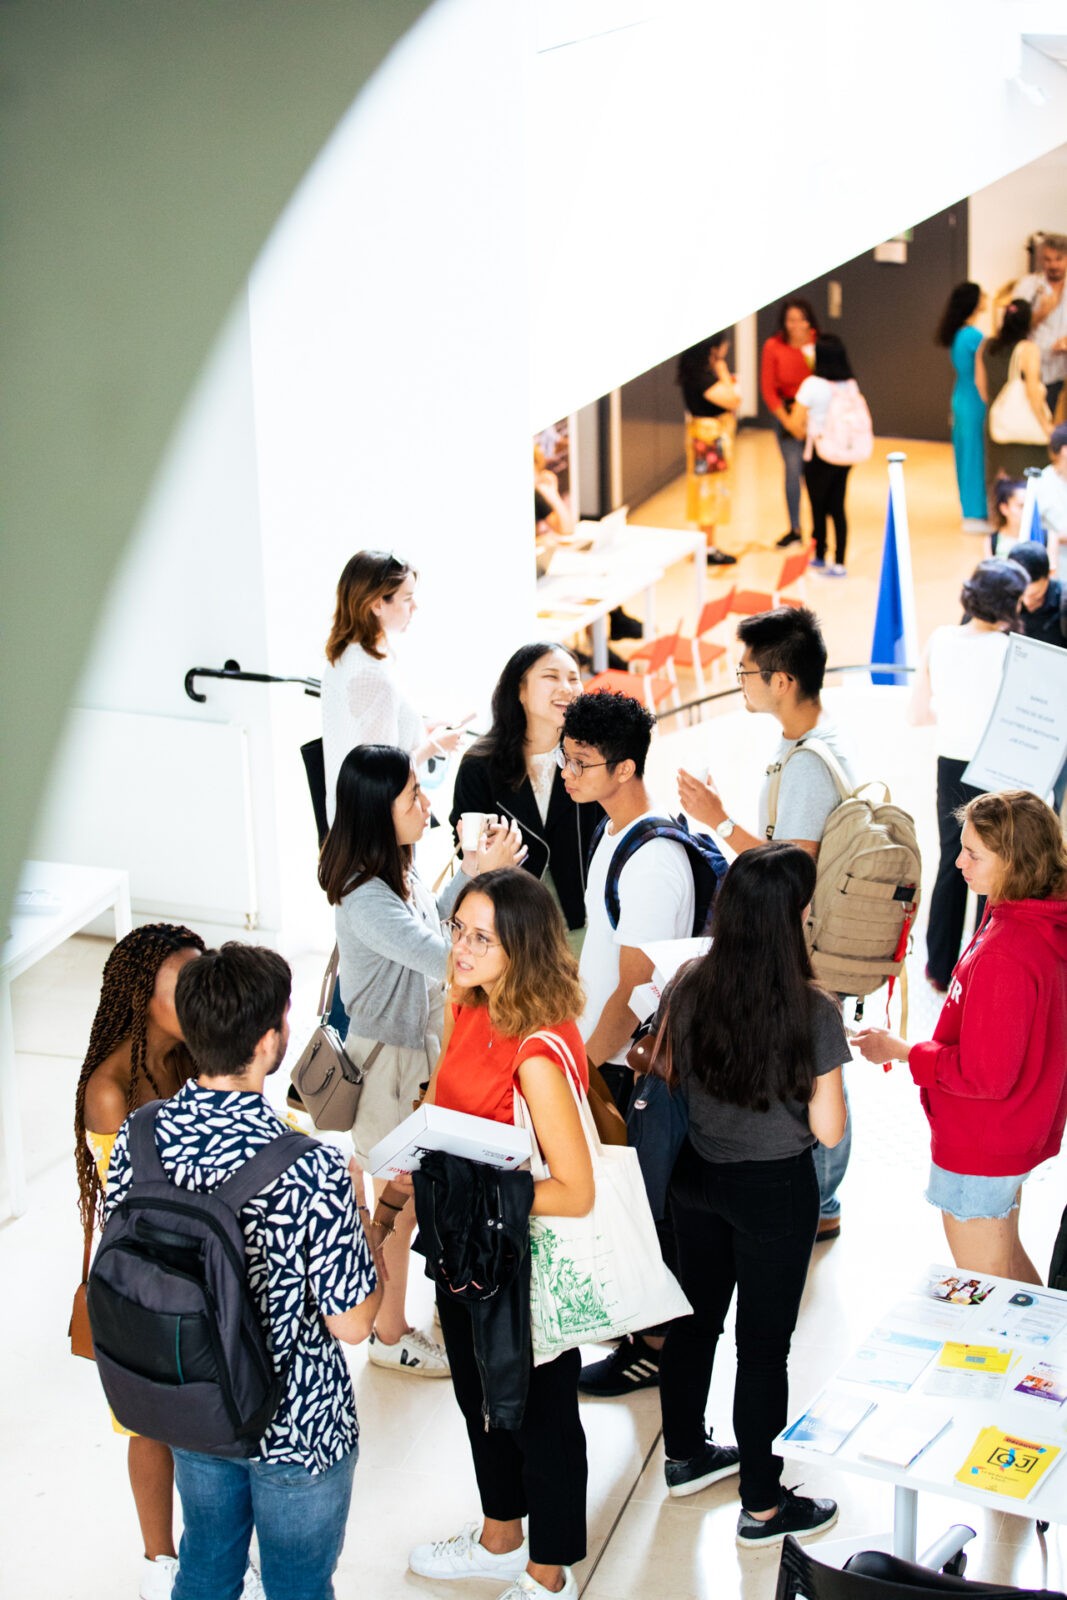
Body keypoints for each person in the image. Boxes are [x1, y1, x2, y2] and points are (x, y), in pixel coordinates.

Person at [104, 942, 383, 1600]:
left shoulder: (140, 1138)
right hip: (297, 1426)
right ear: (268, 1041)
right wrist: (368, 1220)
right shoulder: (310, 1166)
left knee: (206, 1562)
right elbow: (353, 1323)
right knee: (296, 1587)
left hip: (197, 1404)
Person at [405, 869, 593, 1600]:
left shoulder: (538, 1053)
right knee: (477, 1396)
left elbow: (573, 1192)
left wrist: (472, 1199)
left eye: (481, 937)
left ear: (520, 945)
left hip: (519, 1261)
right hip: (468, 1248)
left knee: (540, 1414)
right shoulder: (471, 1007)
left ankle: (549, 1572)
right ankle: (499, 1536)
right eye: (457, 929)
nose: (460, 947)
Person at [657, 844, 847, 1547]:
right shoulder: (813, 1010)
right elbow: (826, 1129)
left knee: (692, 1323)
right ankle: (762, 1507)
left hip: (696, 1176)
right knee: (762, 1350)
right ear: (792, 920)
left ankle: (683, 1456)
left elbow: (672, 1075)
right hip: (773, 1191)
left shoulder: (689, 980)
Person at [319, 743, 525, 1375]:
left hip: (411, 1056)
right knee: (398, 1205)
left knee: (407, 1200)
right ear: (381, 810)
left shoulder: (392, 873)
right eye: (413, 795)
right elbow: (442, 952)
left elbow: (436, 921)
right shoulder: (364, 896)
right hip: (388, 1069)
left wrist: (467, 870)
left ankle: (396, 1323)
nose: (426, 803)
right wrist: (481, 873)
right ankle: (387, 1334)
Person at [676, 605, 855, 1240]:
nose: (740, 681)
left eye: (745, 670)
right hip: (809, 937)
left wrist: (718, 820)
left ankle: (823, 1199)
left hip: (805, 939)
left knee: (821, 1058)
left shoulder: (806, 764)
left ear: (782, 679)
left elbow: (791, 877)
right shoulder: (809, 740)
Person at [855, 791, 1067, 1281]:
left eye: (973, 853)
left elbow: (986, 1075)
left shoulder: (1006, 952)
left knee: (989, 1298)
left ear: (1014, 861)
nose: (958, 861)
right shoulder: (1034, 920)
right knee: (1011, 1278)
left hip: (982, 1143)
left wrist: (904, 1051)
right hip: (1012, 1134)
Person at [556, 689, 695, 1396]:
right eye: (565, 757)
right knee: (624, 1202)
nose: (566, 773)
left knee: (643, 1206)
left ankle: (656, 1346)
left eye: (581, 762)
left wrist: (582, 1065)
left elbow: (639, 990)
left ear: (625, 767)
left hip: (628, 1062)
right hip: (602, 1052)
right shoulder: (612, 833)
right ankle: (640, 1329)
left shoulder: (652, 859)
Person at [75, 922, 206, 1600]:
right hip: (144, 1277)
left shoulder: (190, 1056)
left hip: (198, 1263)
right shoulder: (109, 1091)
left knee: (201, 1416)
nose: (198, 996)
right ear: (139, 997)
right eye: (181, 986)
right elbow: (136, 1207)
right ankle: (158, 1561)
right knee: (147, 1424)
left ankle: (208, 1551)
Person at [909, 558, 1028, 991]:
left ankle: (938, 968)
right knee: (993, 868)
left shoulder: (941, 638)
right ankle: (978, 971)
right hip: (996, 763)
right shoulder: (1013, 648)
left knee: (952, 861)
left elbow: (918, 712)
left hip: (951, 762)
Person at [450, 643, 603, 952]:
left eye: (574, 678)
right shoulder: (480, 765)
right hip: (508, 928)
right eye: (551, 676)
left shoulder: (593, 757)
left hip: (581, 923)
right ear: (519, 690)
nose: (566, 688)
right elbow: (465, 853)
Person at [320, 549, 471, 822]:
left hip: (355, 817)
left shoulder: (350, 655)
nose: (416, 607)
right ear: (377, 604)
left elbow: (373, 738)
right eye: (407, 598)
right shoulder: (370, 675)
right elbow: (380, 772)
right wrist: (434, 745)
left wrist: (422, 729)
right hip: (375, 824)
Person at [785, 333, 859, 575]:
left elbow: (795, 424)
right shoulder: (849, 384)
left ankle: (819, 556)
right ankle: (839, 562)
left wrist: (806, 428)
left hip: (819, 453)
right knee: (838, 506)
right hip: (845, 453)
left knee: (818, 505)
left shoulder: (812, 385)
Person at [976, 299, 1053, 516]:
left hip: (997, 423)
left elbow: (981, 387)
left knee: (999, 478)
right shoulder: (1028, 349)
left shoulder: (986, 346)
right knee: (1028, 478)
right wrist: (1046, 426)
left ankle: (1000, 522)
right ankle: (1028, 523)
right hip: (1024, 431)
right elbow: (1033, 393)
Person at [1007, 539, 1067, 812]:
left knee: (1049, 801)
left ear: (1049, 576)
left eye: (1036, 595)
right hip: (1012, 716)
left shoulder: (1063, 604)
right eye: (1023, 596)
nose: (1028, 602)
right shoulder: (998, 603)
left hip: (1055, 720)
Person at [677, 332, 743, 566]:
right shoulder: (702, 377)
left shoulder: (693, 374)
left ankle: (706, 544)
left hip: (704, 437)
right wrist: (723, 371)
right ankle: (707, 547)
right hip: (709, 439)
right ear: (712, 348)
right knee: (709, 493)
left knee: (706, 492)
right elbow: (733, 400)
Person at [760, 298, 819, 548]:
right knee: (793, 471)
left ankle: (819, 531)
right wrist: (789, 422)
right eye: (791, 320)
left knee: (816, 475)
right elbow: (768, 389)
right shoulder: (773, 346)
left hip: (816, 415)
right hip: (787, 415)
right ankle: (794, 528)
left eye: (801, 319)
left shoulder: (818, 343)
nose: (796, 325)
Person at [936, 281, 989, 531]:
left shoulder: (960, 333)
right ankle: (975, 513)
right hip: (974, 399)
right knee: (974, 456)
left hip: (962, 396)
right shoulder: (973, 336)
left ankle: (971, 510)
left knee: (965, 454)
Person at [1012, 232, 1067, 415]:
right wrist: (1041, 313)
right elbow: (1013, 327)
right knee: (1030, 424)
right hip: (1031, 370)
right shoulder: (1028, 286)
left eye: (1058, 259)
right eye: (1048, 260)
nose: (1053, 265)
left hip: (1061, 371)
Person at [1036, 422, 1067, 574]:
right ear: (1063, 450)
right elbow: (1031, 530)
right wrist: (1057, 538)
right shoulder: (1041, 483)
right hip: (1055, 565)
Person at [988, 475, 1026, 557]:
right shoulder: (991, 541)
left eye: (1029, 506)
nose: (1026, 511)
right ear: (1004, 508)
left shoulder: (1047, 537)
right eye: (1021, 506)